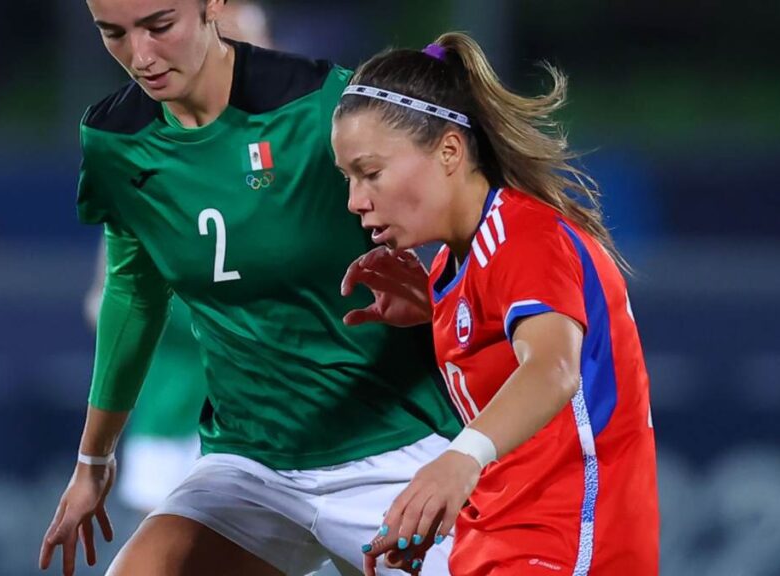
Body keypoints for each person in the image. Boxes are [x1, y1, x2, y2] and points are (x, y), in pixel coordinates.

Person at [37, 1, 462, 575]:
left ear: (213, 4)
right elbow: (134, 293)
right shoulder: (117, 140)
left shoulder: (321, 105)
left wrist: (438, 294)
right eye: (113, 33)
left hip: (395, 450)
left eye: (160, 26)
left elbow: (465, 219)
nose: (140, 56)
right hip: (249, 467)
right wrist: (93, 458)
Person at [332, 32, 659, 576]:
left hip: (569, 548)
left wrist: (457, 462)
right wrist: (436, 311)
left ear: (449, 151)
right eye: (348, 178)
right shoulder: (452, 266)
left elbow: (554, 369)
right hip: (495, 545)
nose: (355, 200)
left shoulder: (526, 236)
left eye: (370, 172)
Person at [81, 0, 273, 518]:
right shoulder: (145, 162)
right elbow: (106, 302)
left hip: (276, 420)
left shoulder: (294, 145)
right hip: (173, 416)